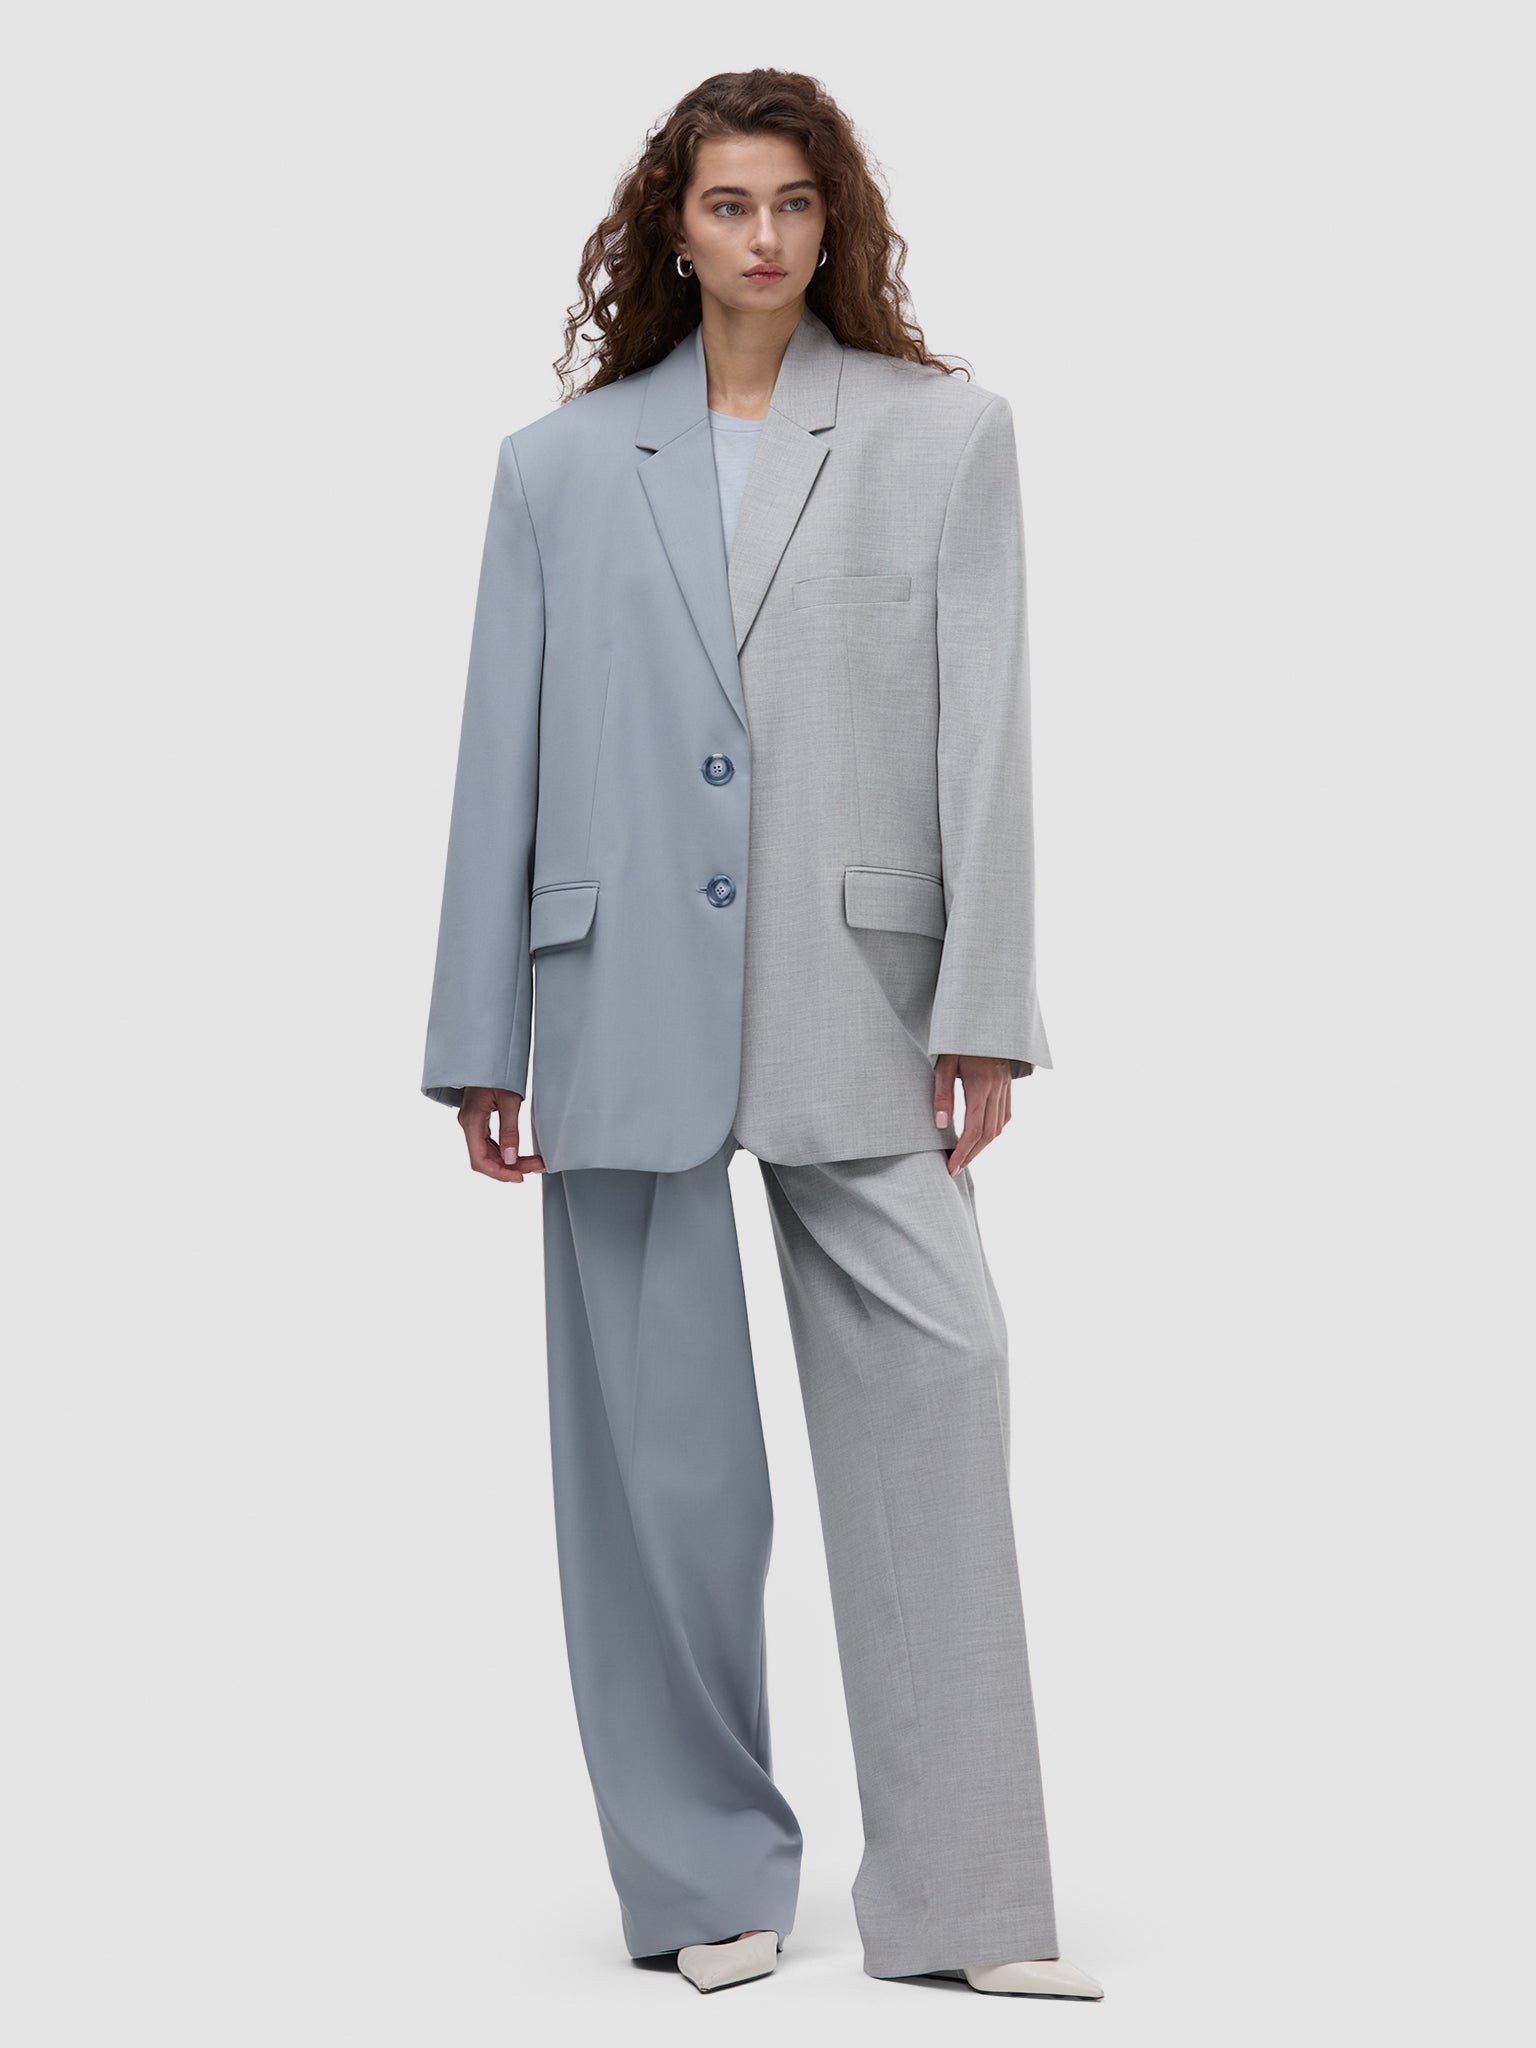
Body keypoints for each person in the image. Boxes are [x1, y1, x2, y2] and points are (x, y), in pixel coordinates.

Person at [420, 68, 1103, 2001]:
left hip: (861, 986)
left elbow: (991, 733)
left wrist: (988, 1009)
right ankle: (705, 1881)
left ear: (835, 221)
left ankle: (967, 1905)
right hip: (613, 988)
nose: (766, 238)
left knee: (939, 1404)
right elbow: (497, 754)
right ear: (676, 225)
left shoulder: (943, 434)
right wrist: (478, 1032)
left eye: (796, 203)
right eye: (730, 204)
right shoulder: (557, 468)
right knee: (666, 1474)